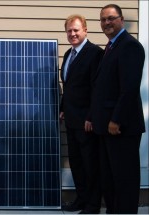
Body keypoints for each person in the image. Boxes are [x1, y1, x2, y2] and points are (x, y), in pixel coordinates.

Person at [88, 4, 145, 214]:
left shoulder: (129, 46)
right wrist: (94, 117)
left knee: (124, 179)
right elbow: (103, 88)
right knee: (110, 178)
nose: (106, 23)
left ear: (121, 19)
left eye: (111, 18)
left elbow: (129, 88)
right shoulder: (111, 47)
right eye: (103, 19)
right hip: (105, 127)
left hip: (121, 127)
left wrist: (116, 120)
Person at [60, 14, 103, 214]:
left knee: (90, 164)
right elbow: (68, 87)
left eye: (76, 30)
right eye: (69, 30)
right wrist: (62, 108)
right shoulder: (68, 54)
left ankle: (93, 205)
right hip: (71, 119)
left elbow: (98, 89)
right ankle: (81, 200)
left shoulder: (94, 53)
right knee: (76, 162)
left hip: (87, 121)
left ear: (85, 30)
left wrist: (92, 116)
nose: (72, 33)